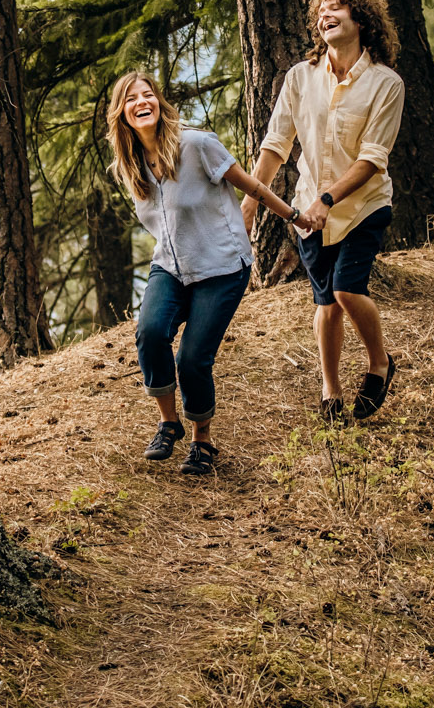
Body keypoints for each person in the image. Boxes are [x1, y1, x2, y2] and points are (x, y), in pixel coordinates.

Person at [108, 71, 308, 474]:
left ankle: (203, 443)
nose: (140, 102)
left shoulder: (197, 145)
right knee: (149, 332)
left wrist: (293, 216)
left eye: (147, 95)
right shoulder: (130, 169)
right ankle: (168, 423)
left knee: (193, 358)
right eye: (131, 99)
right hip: (171, 266)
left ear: (159, 105)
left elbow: (251, 186)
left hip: (221, 266)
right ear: (122, 114)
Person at [243, 0, 406, 423]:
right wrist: (252, 201)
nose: (325, 15)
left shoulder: (385, 84)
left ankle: (379, 362)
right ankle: (330, 388)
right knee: (325, 303)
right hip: (307, 214)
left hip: (363, 207)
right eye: (320, 11)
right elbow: (276, 144)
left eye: (336, 8)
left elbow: (374, 158)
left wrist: (328, 199)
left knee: (346, 288)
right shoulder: (300, 77)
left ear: (362, 19)